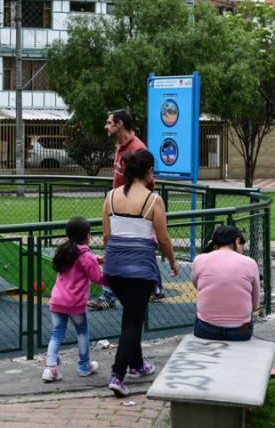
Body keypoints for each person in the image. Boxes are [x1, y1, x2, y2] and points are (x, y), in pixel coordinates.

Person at [101, 149, 179, 397]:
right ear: (147, 171)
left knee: (131, 316)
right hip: (140, 270)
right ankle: (117, 374)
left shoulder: (111, 196)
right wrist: (173, 262)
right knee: (132, 322)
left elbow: (106, 236)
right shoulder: (153, 200)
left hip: (114, 268)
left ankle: (137, 365)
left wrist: (115, 256)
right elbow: (164, 238)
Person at [91, 109, 158, 311]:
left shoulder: (137, 149)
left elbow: (148, 181)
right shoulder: (120, 146)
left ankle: (109, 295)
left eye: (110, 122)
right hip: (118, 205)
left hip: (131, 211)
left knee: (116, 246)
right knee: (131, 246)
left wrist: (137, 206)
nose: (106, 126)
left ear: (120, 124)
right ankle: (152, 287)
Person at [42, 216, 106, 382]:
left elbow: (80, 262)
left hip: (57, 301)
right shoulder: (86, 256)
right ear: (88, 235)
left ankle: (50, 368)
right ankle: (84, 366)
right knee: (82, 333)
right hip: (75, 303)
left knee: (56, 334)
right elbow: (98, 278)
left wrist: (95, 259)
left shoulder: (64, 251)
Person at [191, 225, 260, 341]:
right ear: (237, 241)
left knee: (200, 314)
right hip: (240, 331)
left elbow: (197, 285)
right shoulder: (250, 263)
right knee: (247, 319)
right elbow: (254, 305)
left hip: (205, 329)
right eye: (242, 245)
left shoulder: (199, 260)